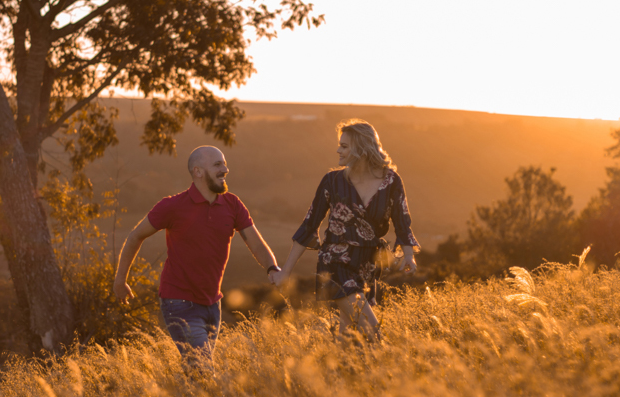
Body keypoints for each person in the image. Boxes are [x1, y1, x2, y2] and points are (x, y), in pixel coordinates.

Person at [114, 145, 280, 366]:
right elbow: (135, 236)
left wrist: (272, 268)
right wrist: (120, 279)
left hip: (213, 304)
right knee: (202, 369)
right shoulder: (172, 206)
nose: (225, 169)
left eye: (224, 164)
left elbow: (256, 243)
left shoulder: (233, 205)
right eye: (217, 164)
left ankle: (175, 389)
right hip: (179, 302)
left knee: (197, 375)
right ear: (198, 172)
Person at [270, 119, 419, 339]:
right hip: (335, 263)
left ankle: (339, 362)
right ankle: (387, 359)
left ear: (361, 149)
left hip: (367, 266)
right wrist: (286, 272)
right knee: (372, 334)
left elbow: (402, 220)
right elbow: (309, 225)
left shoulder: (391, 181)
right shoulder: (332, 181)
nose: (338, 150)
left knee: (350, 338)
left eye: (344, 146)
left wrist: (408, 255)